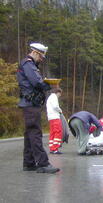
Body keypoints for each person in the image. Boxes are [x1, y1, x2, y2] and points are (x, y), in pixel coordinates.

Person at [17, 43, 60, 174]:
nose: (41, 60)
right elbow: (37, 82)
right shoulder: (28, 64)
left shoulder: (29, 64)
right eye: (41, 57)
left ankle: (29, 162)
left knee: (29, 133)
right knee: (35, 132)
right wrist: (50, 85)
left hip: (30, 103)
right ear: (35, 53)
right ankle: (43, 163)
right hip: (30, 104)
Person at [46, 88, 63, 154]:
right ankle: (55, 148)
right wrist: (60, 111)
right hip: (55, 116)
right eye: (60, 94)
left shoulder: (50, 97)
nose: (60, 95)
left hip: (50, 117)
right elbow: (55, 106)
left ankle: (51, 147)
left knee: (52, 132)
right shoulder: (54, 97)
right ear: (58, 92)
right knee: (58, 131)